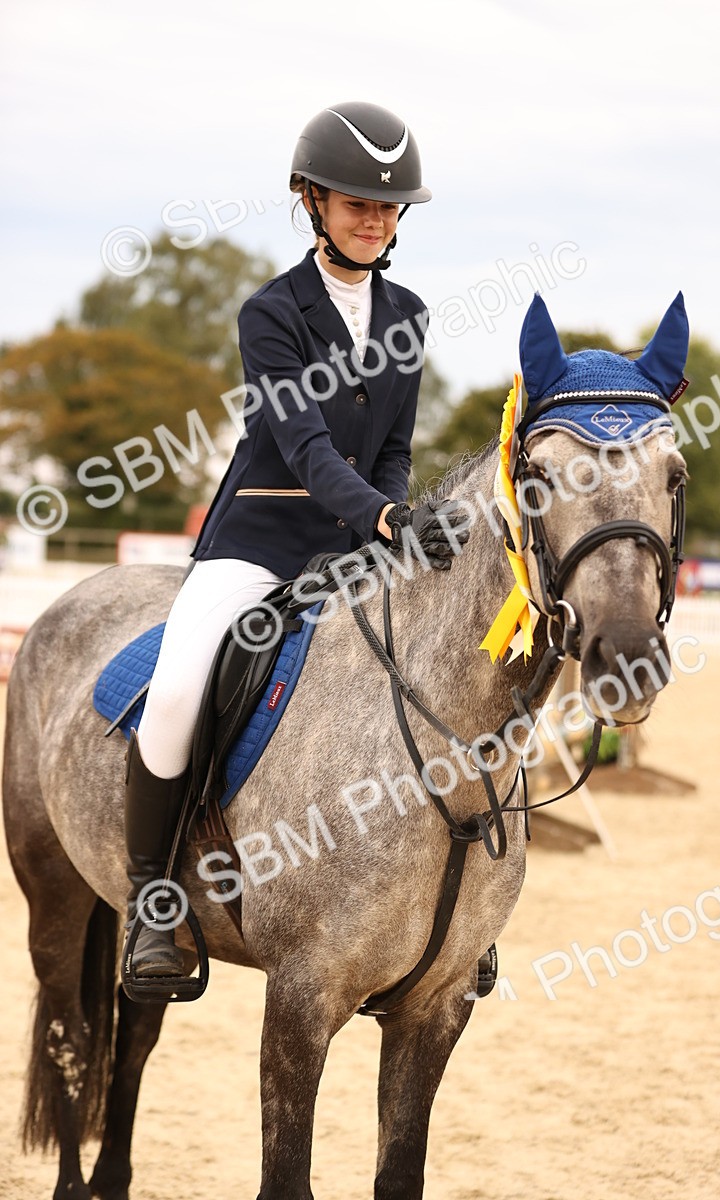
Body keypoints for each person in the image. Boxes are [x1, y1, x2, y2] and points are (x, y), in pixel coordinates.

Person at [123, 101, 465, 985]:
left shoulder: (410, 314)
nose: (373, 218)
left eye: (388, 207)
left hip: (357, 542)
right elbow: (307, 446)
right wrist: (386, 520)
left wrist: (390, 521)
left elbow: (392, 450)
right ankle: (150, 905)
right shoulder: (270, 313)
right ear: (311, 200)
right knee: (177, 687)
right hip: (260, 541)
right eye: (355, 201)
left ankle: (454, 914)